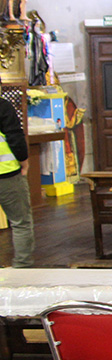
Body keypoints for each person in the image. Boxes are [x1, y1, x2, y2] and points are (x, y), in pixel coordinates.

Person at [0, 97, 35, 268]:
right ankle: (22, 268)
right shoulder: (2, 106)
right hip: (6, 173)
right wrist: (24, 161)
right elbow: (14, 136)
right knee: (20, 222)